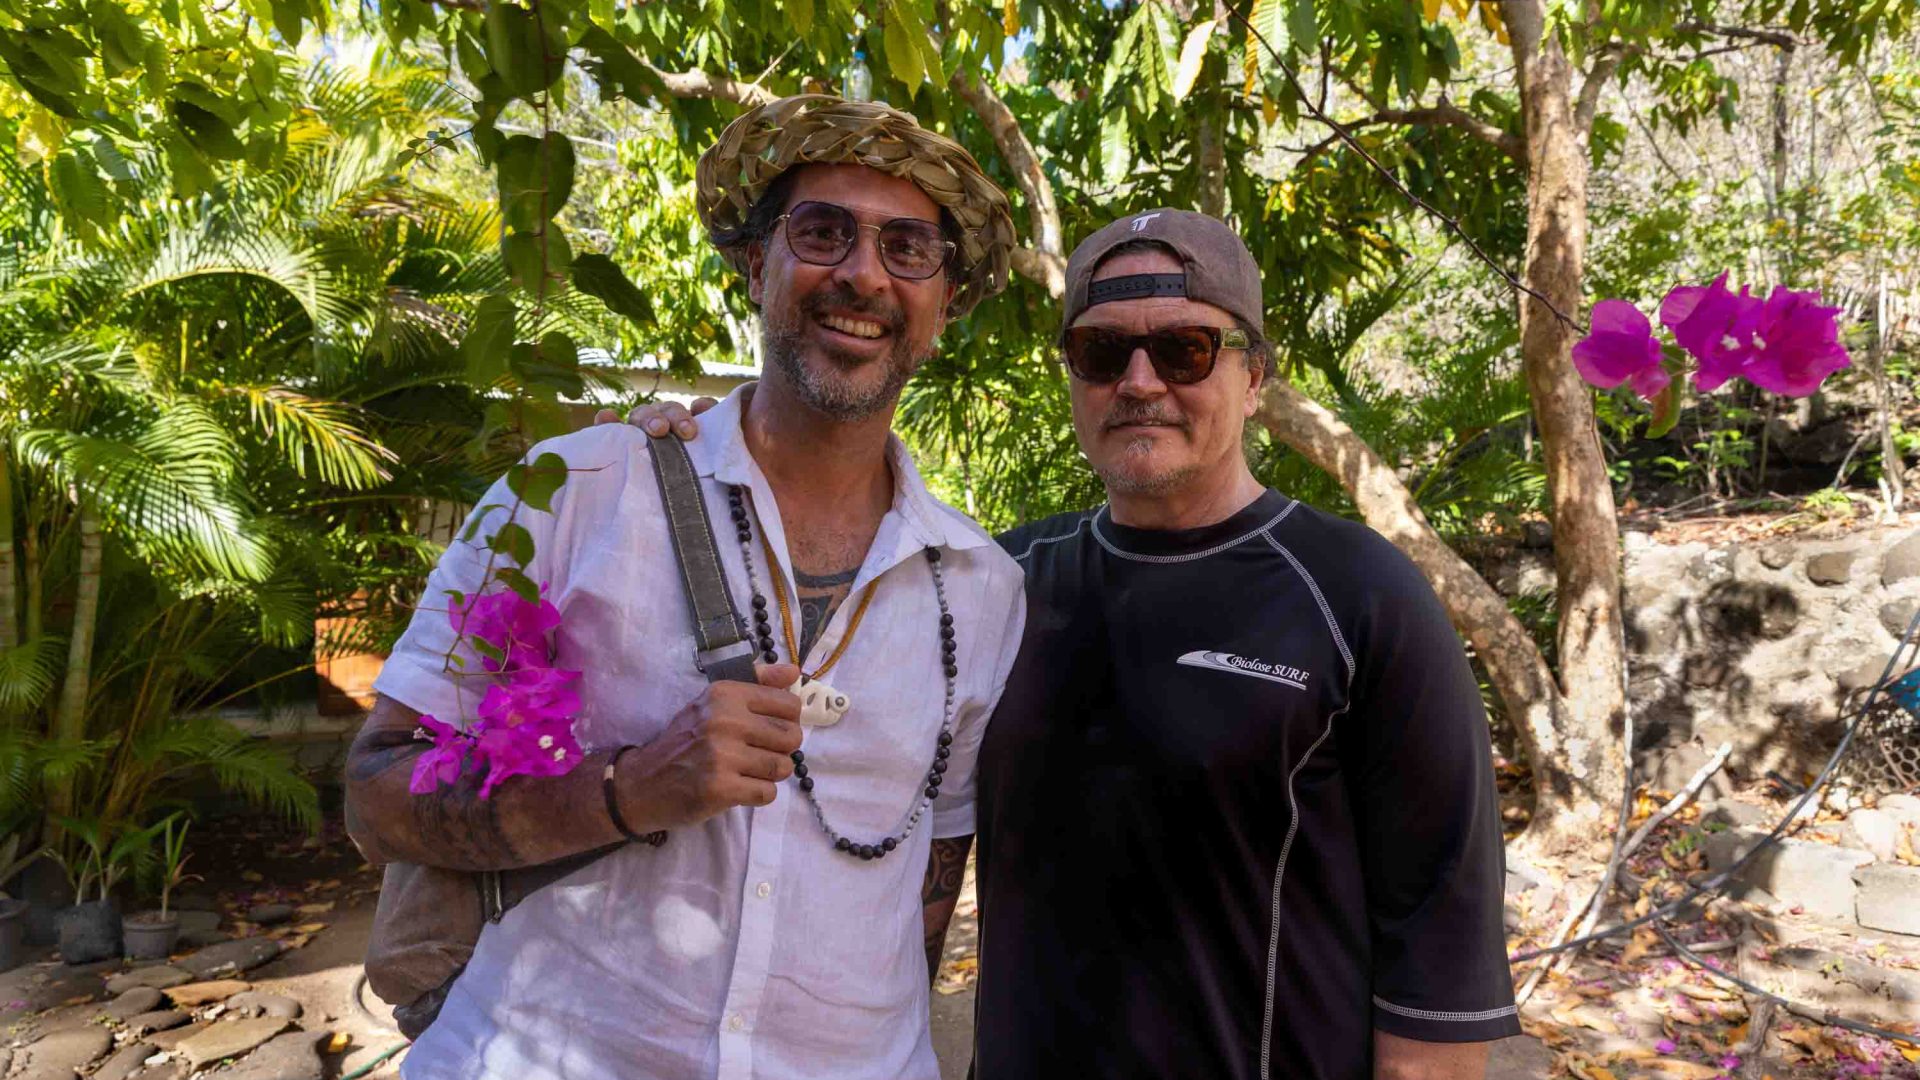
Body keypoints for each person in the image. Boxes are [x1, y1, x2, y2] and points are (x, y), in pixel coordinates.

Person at [621, 209, 1518, 1079]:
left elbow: (1436, 999)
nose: (1138, 380)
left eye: (1184, 348)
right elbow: (885, 839)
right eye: (1100, 351)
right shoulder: (992, 586)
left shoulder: (1361, 598)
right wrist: (694, 456)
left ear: (1253, 378)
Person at [344, 94, 1026, 1080]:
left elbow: (926, 874)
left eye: (908, 248)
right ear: (757, 264)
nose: (863, 275)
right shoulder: (574, 492)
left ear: (945, 303)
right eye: (823, 231)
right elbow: (375, 794)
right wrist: (624, 791)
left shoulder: (983, 590)